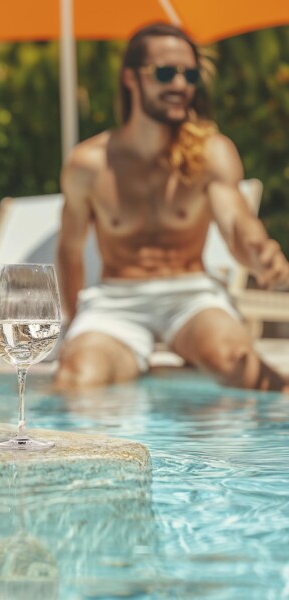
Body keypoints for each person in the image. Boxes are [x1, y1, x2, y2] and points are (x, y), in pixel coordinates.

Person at [55, 23, 289, 392]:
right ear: (131, 78)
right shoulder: (89, 163)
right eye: (165, 73)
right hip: (117, 301)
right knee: (76, 378)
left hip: (191, 297)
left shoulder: (210, 152)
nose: (181, 86)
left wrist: (260, 253)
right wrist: (74, 327)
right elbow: (69, 252)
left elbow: (236, 222)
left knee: (245, 371)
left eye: (190, 75)